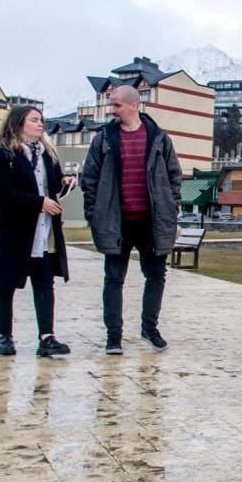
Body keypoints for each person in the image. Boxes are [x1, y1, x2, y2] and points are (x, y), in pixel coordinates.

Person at [81, 85, 182, 355]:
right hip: (117, 222)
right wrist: (94, 212)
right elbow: (89, 178)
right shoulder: (103, 139)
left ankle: (150, 328)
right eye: (111, 105)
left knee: (156, 276)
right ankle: (113, 336)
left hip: (150, 222)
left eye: (116, 105)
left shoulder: (158, 138)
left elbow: (175, 176)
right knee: (113, 278)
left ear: (133, 105)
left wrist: (170, 206)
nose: (111, 110)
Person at [0, 106, 77, 357]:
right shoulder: (5, 154)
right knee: (6, 283)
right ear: (19, 123)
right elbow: (1, 193)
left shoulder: (48, 154)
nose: (40, 125)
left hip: (43, 229)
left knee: (45, 282)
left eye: (42, 120)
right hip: (12, 230)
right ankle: (5, 336)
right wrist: (38, 203)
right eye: (34, 120)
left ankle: (47, 337)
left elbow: (51, 185)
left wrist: (64, 182)